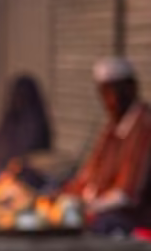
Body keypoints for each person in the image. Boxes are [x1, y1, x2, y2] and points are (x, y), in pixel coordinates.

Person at [64, 57, 151, 233]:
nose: (110, 101)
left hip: (132, 216)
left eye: (116, 92)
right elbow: (90, 173)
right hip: (97, 205)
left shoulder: (144, 127)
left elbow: (126, 194)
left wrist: (88, 207)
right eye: (105, 93)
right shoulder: (113, 127)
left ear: (131, 88)